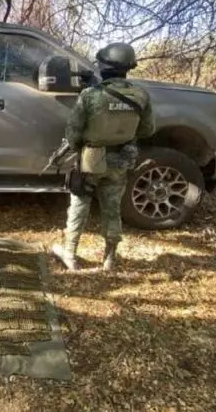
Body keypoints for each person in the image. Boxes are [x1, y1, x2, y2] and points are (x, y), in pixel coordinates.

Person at [51, 42, 155, 272]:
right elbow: (147, 129)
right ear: (128, 67)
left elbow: (73, 132)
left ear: (103, 66)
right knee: (112, 207)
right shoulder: (141, 96)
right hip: (121, 159)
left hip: (91, 160)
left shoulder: (90, 95)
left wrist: (79, 147)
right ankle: (109, 259)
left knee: (79, 204)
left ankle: (70, 255)